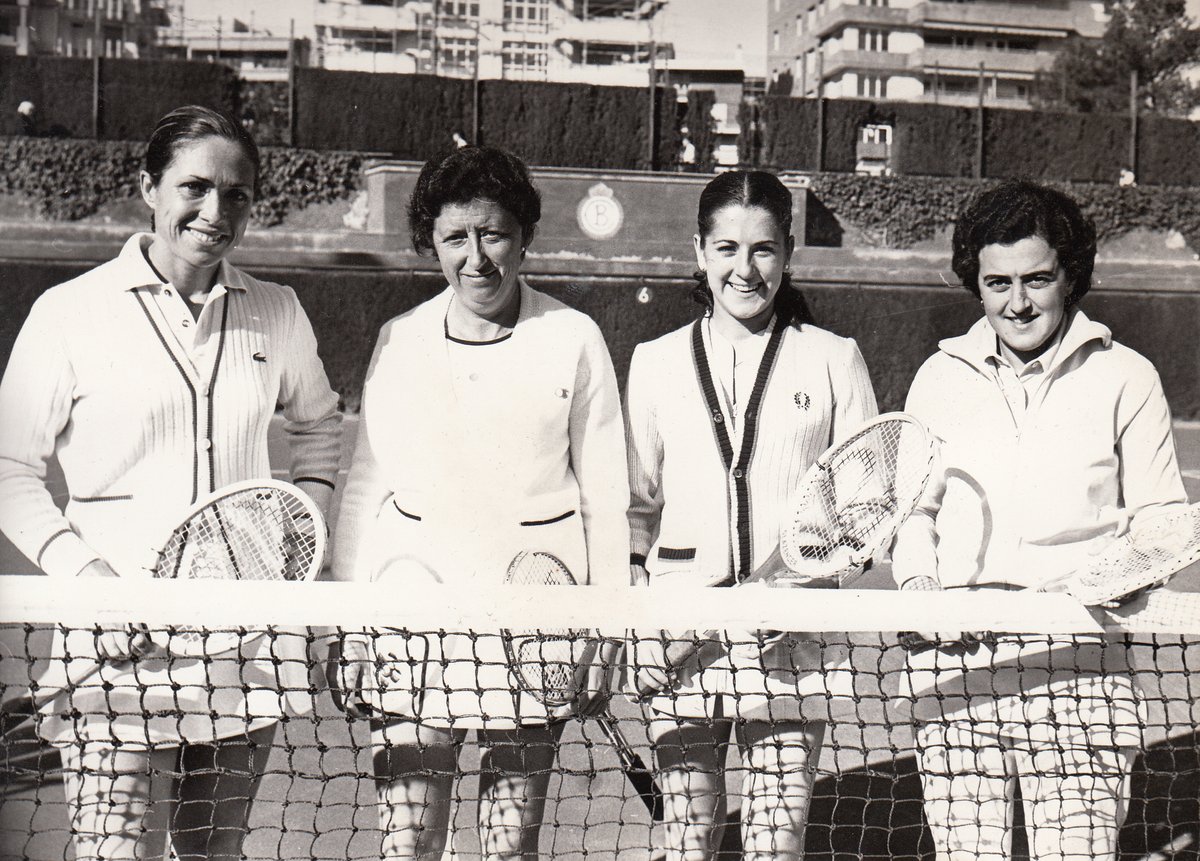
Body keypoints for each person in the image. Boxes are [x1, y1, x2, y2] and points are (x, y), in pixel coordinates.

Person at [0, 105, 342, 861]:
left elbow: (320, 422)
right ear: (148, 187)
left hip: (245, 644)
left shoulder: (278, 310)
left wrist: (302, 534)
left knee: (214, 849)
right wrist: (91, 583)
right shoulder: (67, 312)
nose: (215, 211)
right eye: (194, 187)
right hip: (115, 645)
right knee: (118, 850)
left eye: (237, 194)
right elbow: (8, 467)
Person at [328, 145, 629, 860]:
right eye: (454, 237)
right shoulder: (399, 340)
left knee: (509, 846)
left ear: (523, 235)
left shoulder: (575, 337)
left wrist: (608, 626)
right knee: (408, 843)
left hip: (534, 624)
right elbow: (365, 487)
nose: (476, 257)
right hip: (410, 618)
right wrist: (349, 625)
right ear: (431, 241)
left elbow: (605, 496)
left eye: (492, 233)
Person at [891, 179, 1187, 861]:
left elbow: (1163, 524)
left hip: (1081, 671)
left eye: (1036, 279)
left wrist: (1117, 579)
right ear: (976, 281)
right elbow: (914, 512)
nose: (1017, 302)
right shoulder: (938, 376)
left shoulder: (1128, 376)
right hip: (956, 670)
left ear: (1069, 274)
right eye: (997, 283)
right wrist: (921, 590)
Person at [624, 170, 878, 861]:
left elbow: (865, 514)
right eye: (727, 248)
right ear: (699, 252)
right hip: (680, 639)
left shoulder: (834, 358)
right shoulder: (653, 362)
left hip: (791, 645)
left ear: (788, 252)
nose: (745, 268)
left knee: (775, 845)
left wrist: (807, 587)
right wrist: (641, 622)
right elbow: (635, 510)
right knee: (688, 841)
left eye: (763, 248)